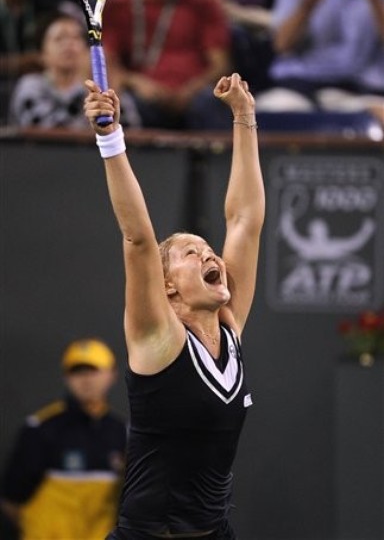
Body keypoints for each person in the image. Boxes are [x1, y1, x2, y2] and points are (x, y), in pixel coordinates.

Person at [83, 71, 265, 539]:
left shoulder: (229, 328)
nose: (210, 255)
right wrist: (111, 138)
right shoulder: (157, 339)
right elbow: (138, 238)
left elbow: (244, 220)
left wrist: (244, 118)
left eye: (208, 249)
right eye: (190, 252)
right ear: (166, 286)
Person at [102, 0, 232, 130]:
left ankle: (221, 162)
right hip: (143, 96)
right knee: (121, 102)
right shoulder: (117, 6)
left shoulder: (203, 4)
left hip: (195, 97)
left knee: (210, 100)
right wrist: (135, 82)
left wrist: (189, 91)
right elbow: (107, 61)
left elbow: (220, 65)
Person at [0, 338, 127, 540]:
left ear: (112, 374)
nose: (85, 379)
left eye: (93, 370)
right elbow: (11, 499)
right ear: (66, 378)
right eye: (76, 371)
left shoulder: (122, 433)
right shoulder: (41, 428)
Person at [256, 0, 384, 120]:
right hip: (298, 89)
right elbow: (281, 45)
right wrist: (308, 5)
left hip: (361, 92)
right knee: (265, 113)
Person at [9, 12, 141, 129]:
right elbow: (51, 133)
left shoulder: (101, 87)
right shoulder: (30, 86)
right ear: (42, 54)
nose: (69, 44)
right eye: (59, 38)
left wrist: (112, 96)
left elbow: (131, 131)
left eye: (76, 38)